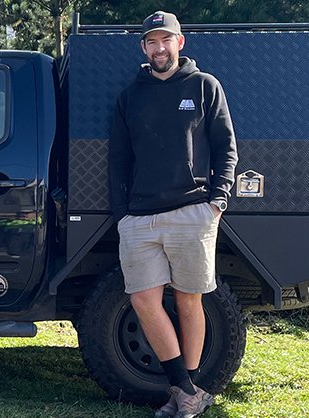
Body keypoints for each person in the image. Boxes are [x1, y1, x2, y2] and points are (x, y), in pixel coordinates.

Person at [108, 10, 238, 418]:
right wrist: (121, 215)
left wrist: (217, 201)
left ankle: (187, 391)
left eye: (166, 40)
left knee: (188, 301)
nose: (159, 47)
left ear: (180, 43)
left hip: (192, 212)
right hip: (140, 219)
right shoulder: (130, 96)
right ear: (144, 47)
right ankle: (186, 390)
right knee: (143, 300)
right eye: (151, 41)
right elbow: (118, 161)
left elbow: (226, 147)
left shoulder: (204, 86)